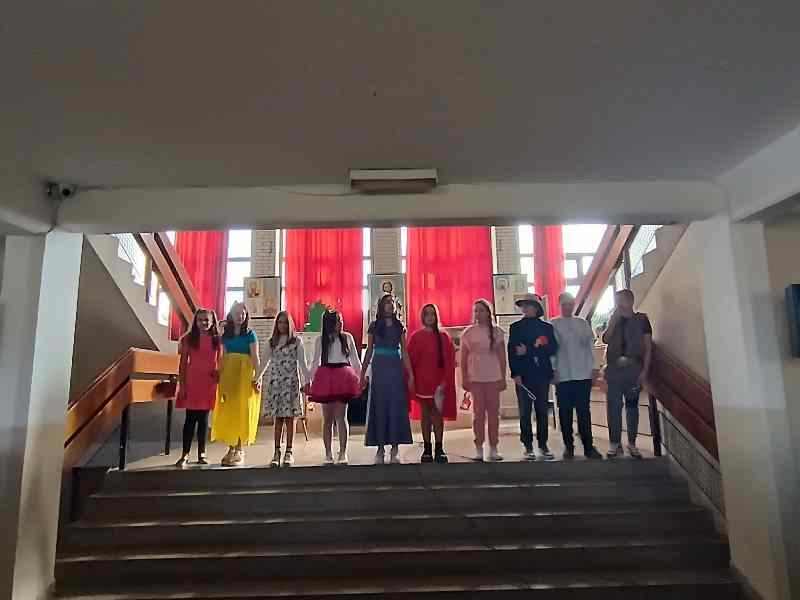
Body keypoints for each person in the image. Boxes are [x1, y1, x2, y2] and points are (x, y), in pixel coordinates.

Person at [361, 294, 414, 465]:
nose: (390, 305)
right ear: (381, 306)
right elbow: (369, 351)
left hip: (395, 368)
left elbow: (404, 352)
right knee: (380, 405)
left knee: (395, 406)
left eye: (392, 302)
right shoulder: (374, 326)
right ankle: (380, 447)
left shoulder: (400, 327)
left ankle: (395, 447)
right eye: (387, 303)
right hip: (379, 368)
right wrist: (362, 373)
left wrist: (410, 374)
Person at [551, 293, 603, 460]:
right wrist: (553, 370)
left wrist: (594, 368)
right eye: (564, 304)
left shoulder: (582, 323)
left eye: (570, 304)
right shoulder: (553, 324)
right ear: (559, 305)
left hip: (582, 374)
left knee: (583, 412)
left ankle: (588, 446)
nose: (568, 307)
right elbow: (551, 351)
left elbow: (591, 347)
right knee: (565, 413)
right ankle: (569, 446)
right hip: (563, 375)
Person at [602, 288, 652, 459]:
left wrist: (645, 371)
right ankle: (615, 443)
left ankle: (632, 443)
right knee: (613, 407)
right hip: (614, 370)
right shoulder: (613, 319)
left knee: (632, 407)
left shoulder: (642, 320)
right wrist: (613, 322)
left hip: (633, 369)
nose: (618, 305)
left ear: (630, 301)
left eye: (621, 301)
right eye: (616, 302)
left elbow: (648, 347)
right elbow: (605, 339)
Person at [508, 293, 558, 460]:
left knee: (542, 410)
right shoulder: (516, 327)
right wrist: (515, 373)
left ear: (536, 308)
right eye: (523, 305)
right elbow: (513, 352)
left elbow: (552, 349)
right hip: (523, 375)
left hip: (542, 374)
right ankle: (527, 445)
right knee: (525, 412)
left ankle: (543, 444)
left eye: (529, 305)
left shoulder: (547, 328)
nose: (526, 308)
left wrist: (529, 350)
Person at [212, 302, 262, 467]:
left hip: (245, 375)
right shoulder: (225, 334)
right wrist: (219, 373)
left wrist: (258, 378)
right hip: (229, 375)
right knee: (230, 410)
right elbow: (223, 356)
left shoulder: (250, 334)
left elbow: (255, 357)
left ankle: (240, 449)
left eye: (243, 313)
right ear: (231, 315)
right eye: (237, 313)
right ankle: (231, 447)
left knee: (242, 410)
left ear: (246, 316)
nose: (240, 316)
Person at [309, 310, 362, 465]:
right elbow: (315, 362)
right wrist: (308, 381)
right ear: (330, 323)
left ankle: (343, 452)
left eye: (341, 320)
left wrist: (362, 377)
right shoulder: (321, 340)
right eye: (338, 321)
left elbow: (355, 360)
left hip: (343, 376)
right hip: (326, 376)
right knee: (327, 418)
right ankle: (328, 453)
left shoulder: (347, 337)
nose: (341, 323)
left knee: (341, 417)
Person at [259, 311, 310, 468]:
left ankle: (289, 451)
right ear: (276, 324)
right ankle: (276, 452)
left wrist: (308, 381)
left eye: (285, 323)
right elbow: (264, 362)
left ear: (290, 324)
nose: (282, 325)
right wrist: (256, 378)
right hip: (276, 384)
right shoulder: (271, 342)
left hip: (291, 384)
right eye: (280, 322)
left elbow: (303, 363)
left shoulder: (296, 342)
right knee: (278, 419)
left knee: (290, 419)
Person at [407, 304, 457, 463]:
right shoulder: (416, 337)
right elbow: (410, 360)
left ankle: (439, 448)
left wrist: (445, 381)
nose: (430, 317)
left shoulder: (443, 337)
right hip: (422, 383)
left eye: (432, 314)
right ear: (423, 317)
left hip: (438, 383)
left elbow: (449, 361)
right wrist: (411, 379)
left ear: (436, 316)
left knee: (437, 416)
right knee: (425, 415)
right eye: (427, 314)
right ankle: (427, 448)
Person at [461, 299, 507, 462]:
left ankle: (494, 447)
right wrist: (464, 377)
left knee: (493, 414)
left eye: (481, 310)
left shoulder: (497, 332)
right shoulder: (468, 333)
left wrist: (503, 377)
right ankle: (479, 447)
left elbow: (502, 357)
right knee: (478, 414)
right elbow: (463, 358)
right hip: (475, 378)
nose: (478, 314)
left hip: (493, 377)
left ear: (488, 312)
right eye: (476, 311)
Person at [174, 309, 221, 468]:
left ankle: (202, 452)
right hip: (192, 382)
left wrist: (218, 373)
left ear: (213, 322)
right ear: (195, 321)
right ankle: (185, 453)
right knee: (190, 419)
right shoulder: (188, 339)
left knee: (203, 419)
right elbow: (182, 364)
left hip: (208, 383)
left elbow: (221, 360)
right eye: (200, 320)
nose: (203, 323)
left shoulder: (217, 340)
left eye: (207, 320)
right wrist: (182, 385)